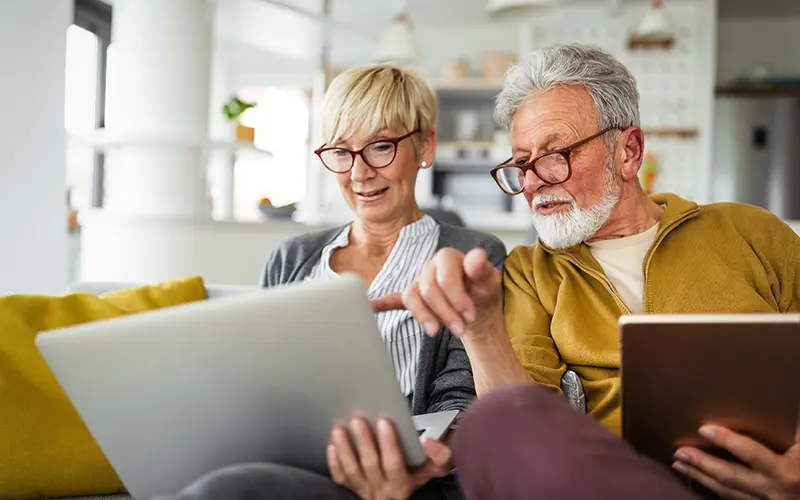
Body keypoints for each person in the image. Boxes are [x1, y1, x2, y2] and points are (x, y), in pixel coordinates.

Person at [373, 43, 800, 499]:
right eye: (521, 163)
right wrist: (480, 328)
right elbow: (520, 431)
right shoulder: (528, 273)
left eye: (555, 155)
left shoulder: (749, 231)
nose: (533, 181)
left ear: (629, 151)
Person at [158, 64, 506, 500]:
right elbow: (260, 381)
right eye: (341, 152)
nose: (359, 173)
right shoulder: (292, 258)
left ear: (425, 145)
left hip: (408, 481)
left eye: (381, 147)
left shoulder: (472, 256)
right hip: (297, 462)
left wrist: (432, 454)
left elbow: (461, 402)